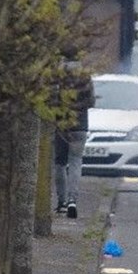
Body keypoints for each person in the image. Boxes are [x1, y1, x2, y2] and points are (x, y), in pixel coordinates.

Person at [54, 65, 94, 219]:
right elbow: (90, 102)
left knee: (60, 163)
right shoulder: (84, 75)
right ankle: (72, 200)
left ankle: (62, 202)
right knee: (76, 161)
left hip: (61, 125)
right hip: (80, 126)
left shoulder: (57, 74)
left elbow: (51, 100)